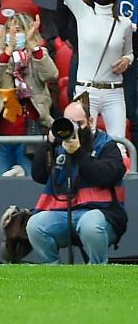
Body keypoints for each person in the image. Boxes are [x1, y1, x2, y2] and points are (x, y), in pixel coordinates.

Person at [52, 0, 133, 139]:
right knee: (81, 141)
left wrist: (127, 60)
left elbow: (130, 53)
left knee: (119, 143)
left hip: (115, 92)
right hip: (87, 92)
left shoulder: (124, 23)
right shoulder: (83, 13)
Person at [26, 99, 127, 265]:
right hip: (64, 212)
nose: (74, 128)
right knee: (35, 225)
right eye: (69, 123)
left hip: (102, 213)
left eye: (79, 123)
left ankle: (97, 271)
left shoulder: (106, 145)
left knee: (90, 223)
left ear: (90, 121)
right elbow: (38, 176)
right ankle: (54, 271)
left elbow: (107, 176)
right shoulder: (59, 145)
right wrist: (48, 144)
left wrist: (78, 153)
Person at [0, 12, 57, 177]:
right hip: (1, 137)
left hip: (30, 136)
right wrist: (8, 50)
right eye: (9, 30)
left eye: (18, 31)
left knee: (29, 182)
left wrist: (33, 46)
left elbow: (51, 75)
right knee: (1, 182)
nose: (13, 34)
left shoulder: (39, 54)